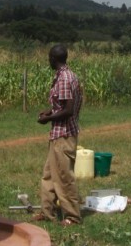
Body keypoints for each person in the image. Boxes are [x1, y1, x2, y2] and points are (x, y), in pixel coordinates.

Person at [33, 44, 83, 227]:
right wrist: (50, 112)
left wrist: (48, 119)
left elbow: (68, 110)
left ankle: (73, 216)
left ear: (53, 59)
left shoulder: (64, 78)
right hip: (58, 134)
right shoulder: (68, 76)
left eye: (49, 58)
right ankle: (47, 212)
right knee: (48, 175)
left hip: (64, 134)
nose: (48, 61)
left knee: (63, 177)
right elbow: (62, 106)